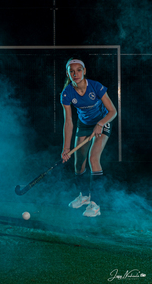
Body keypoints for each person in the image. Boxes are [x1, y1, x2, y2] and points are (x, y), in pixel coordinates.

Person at [60, 58, 117, 217]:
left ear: (84, 71)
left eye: (79, 70)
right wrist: (66, 148)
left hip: (102, 121)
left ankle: (95, 204)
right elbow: (69, 122)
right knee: (78, 164)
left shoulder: (96, 86)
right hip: (84, 125)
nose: (75, 73)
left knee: (93, 158)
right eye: (72, 71)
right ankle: (84, 196)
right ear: (68, 74)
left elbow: (113, 111)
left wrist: (100, 123)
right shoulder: (66, 93)